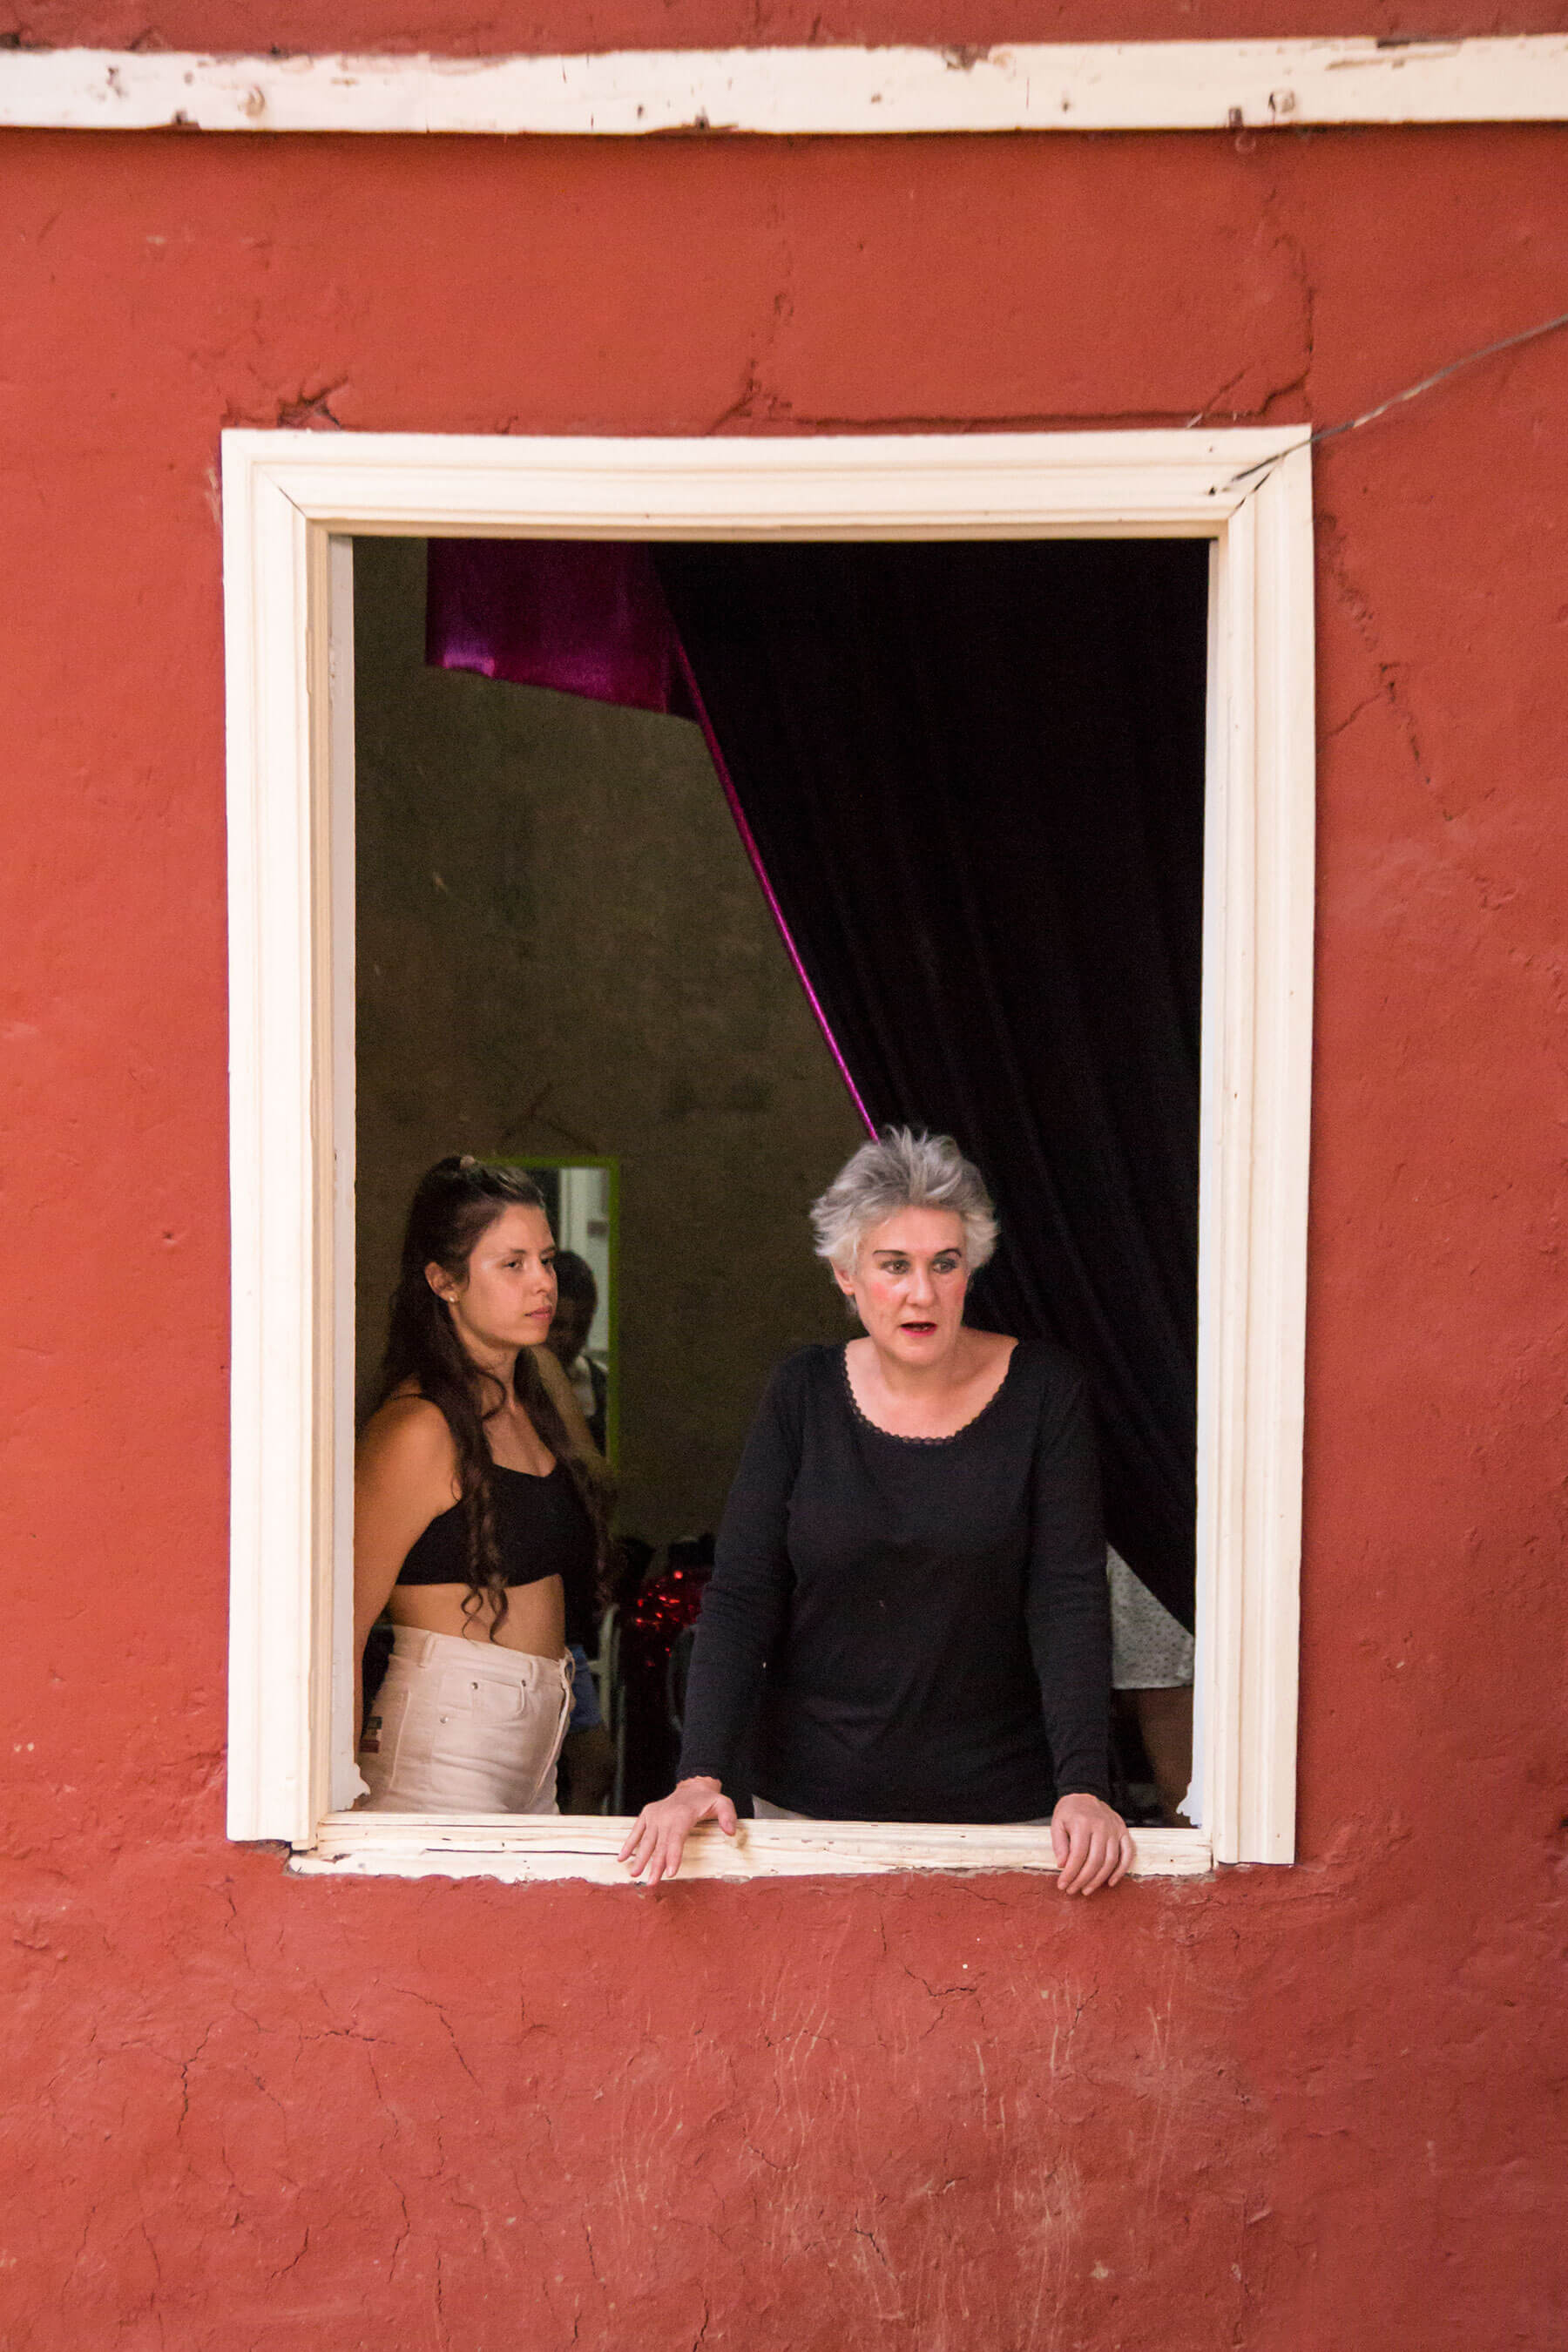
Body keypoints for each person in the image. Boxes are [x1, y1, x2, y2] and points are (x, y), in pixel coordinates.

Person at [619, 1128, 1134, 1895]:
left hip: (1006, 1811)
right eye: (894, 1265)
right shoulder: (803, 1393)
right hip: (806, 1810)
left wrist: (1084, 1785)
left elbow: (1068, 1596)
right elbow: (743, 1595)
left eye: (944, 1264)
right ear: (846, 1275)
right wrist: (699, 1775)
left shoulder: (1044, 1392)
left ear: (970, 1270)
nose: (921, 1292)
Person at [353, 1156, 606, 1813]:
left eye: (546, 1260)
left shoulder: (533, 1399)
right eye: (512, 1264)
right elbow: (341, 1627)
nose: (543, 1283)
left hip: (539, 1740)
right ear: (444, 1281)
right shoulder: (418, 1428)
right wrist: (332, 1791)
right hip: (445, 1742)